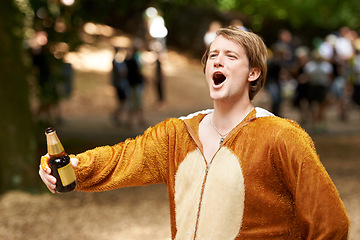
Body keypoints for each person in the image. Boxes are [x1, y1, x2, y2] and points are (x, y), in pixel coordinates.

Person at [39, 26, 350, 239]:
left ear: (253, 72)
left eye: (231, 56)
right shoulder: (177, 134)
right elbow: (120, 159)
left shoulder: (281, 137)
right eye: (213, 55)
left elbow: (330, 222)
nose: (218, 60)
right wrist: (72, 168)